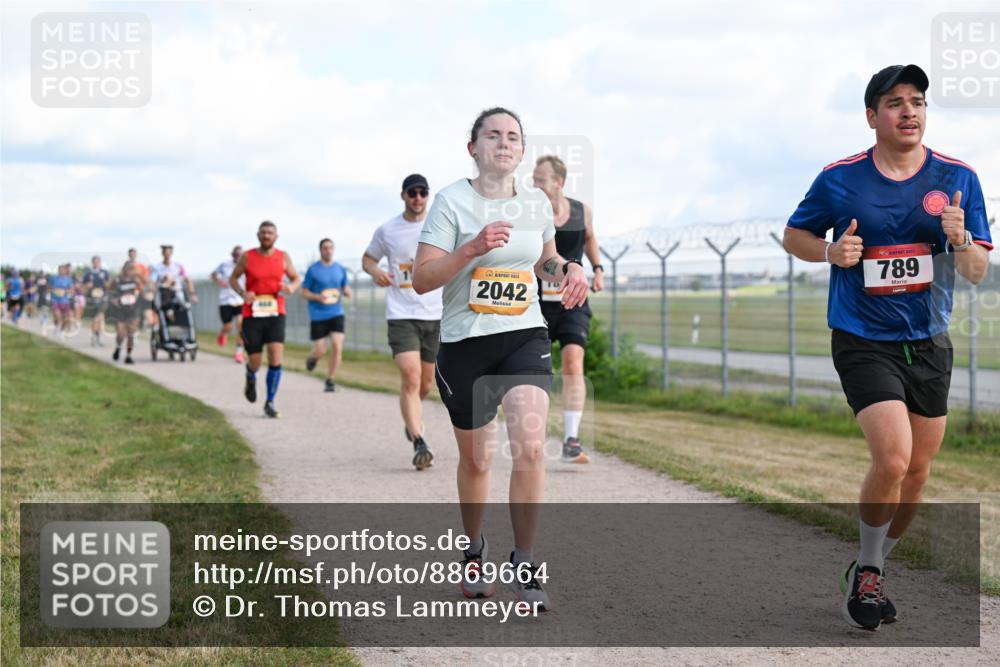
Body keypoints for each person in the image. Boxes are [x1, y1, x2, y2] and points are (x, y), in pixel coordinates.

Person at [783, 64, 992, 631]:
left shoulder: (957, 178)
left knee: (918, 473)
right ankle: (870, 568)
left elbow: (976, 270)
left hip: (927, 340)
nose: (909, 112)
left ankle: (870, 567)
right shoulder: (841, 178)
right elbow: (795, 234)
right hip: (862, 337)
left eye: (918, 101)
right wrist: (830, 253)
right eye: (895, 103)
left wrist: (960, 238)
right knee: (893, 457)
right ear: (873, 115)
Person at [413, 108, 588, 610]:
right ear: (473, 147)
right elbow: (423, 278)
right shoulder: (450, 201)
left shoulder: (534, 202)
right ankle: (472, 551)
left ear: (521, 150)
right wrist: (469, 249)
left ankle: (526, 562)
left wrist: (568, 269)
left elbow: (542, 261)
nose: (504, 143)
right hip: (466, 343)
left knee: (531, 447)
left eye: (513, 137)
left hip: (523, 334)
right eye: (493, 135)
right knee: (477, 458)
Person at [363, 174, 444, 470]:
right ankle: (419, 441)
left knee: (425, 383)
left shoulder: (439, 226)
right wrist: (375, 273)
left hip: (434, 313)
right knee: (410, 378)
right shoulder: (388, 229)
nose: (418, 198)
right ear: (403, 196)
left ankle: (412, 420)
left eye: (423, 192)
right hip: (401, 313)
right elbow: (368, 259)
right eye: (413, 192)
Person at [532, 155, 605, 463]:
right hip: (536, 303)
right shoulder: (530, 213)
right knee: (537, 372)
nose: (534, 184)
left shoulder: (581, 211)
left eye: (540, 180)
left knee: (574, 362)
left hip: (573, 300)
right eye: (533, 180)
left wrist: (598, 268)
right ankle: (532, 435)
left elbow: (589, 239)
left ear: (558, 183)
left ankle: (571, 440)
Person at [229, 221, 300, 418]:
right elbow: (233, 278)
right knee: (256, 361)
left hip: (276, 313)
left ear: (276, 236)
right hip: (252, 314)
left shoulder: (283, 257)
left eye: (270, 233)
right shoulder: (248, 257)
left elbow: (295, 278)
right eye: (263, 233)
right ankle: (250, 376)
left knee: (275, 356)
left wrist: (291, 288)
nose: (267, 236)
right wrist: (243, 293)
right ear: (258, 235)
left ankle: (270, 401)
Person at [302, 239, 351, 392]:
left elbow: (344, 286)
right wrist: (318, 297)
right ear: (320, 250)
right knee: (321, 350)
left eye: (330, 248)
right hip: (318, 314)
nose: (328, 251)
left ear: (333, 249)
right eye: (325, 248)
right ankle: (313, 358)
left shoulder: (340, 269)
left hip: (336, 312)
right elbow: (304, 292)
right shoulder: (313, 270)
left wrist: (347, 291)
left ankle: (330, 379)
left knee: (337, 345)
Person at [211, 245, 247, 363]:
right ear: (233, 256)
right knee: (228, 327)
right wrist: (220, 281)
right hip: (226, 300)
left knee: (241, 326)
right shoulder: (225, 265)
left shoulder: (246, 265)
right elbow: (214, 274)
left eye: (241, 256)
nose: (238, 258)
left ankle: (239, 353)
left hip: (240, 299)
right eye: (237, 255)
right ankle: (223, 333)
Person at [108, 261, 143, 364]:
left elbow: (143, 292)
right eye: (130, 269)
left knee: (131, 334)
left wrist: (141, 294)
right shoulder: (117, 280)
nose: (132, 271)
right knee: (120, 334)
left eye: (133, 269)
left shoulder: (135, 280)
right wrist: (113, 300)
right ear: (124, 269)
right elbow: (109, 291)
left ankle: (128, 356)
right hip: (120, 310)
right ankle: (118, 347)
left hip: (133, 310)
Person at [82, 256, 110, 346]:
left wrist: (107, 285)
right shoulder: (88, 274)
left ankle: (98, 337)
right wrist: (87, 286)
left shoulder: (104, 273)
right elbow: (82, 288)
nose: (96, 264)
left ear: (100, 263)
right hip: (92, 299)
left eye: (98, 262)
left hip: (103, 298)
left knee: (100, 317)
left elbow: (109, 285)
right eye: (94, 262)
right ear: (92, 263)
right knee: (94, 319)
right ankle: (94, 336)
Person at [128, 247, 155, 332]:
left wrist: (147, 289)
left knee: (146, 309)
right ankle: (133, 329)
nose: (132, 256)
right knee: (133, 312)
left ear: (136, 255)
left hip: (141, 291)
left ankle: (149, 326)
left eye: (133, 254)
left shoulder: (141, 266)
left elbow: (147, 279)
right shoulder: (126, 266)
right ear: (129, 255)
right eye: (131, 254)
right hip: (130, 292)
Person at [49, 264, 75, 337]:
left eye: (63, 270)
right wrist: (53, 290)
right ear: (58, 271)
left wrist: (67, 291)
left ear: (65, 271)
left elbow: (72, 290)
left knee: (66, 318)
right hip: (55, 300)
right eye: (60, 270)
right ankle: (57, 327)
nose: (61, 271)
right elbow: (49, 287)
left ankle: (61, 331)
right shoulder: (53, 278)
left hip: (65, 301)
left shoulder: (68, 279)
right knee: (58, 315)